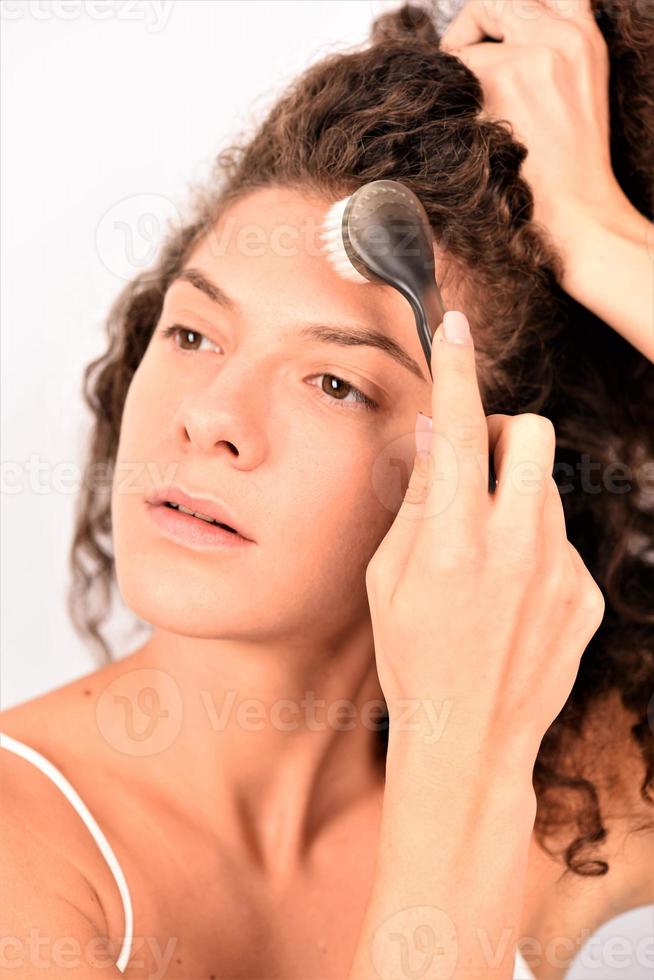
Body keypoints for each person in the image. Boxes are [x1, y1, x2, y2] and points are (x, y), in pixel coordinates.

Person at [1, 1, 652, 978]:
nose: (210, 413)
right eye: (193, 333)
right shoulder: (26, 848)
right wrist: (457, 758)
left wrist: (601, 239)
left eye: (336, 381)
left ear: (494, 470)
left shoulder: (568, 792)